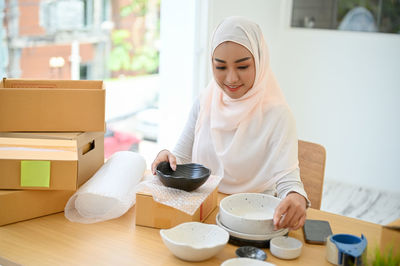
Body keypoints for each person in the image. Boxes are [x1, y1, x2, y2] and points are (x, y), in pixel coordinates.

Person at [151, 16, 309, 230]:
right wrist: (166, 157)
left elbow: (288, 180)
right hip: (204, 214)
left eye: (242, 66)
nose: (231, 78)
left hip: (253, 220)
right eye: (221, 67)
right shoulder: (205, 101)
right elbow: (180, 158)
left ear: (260, 62)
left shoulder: (278, 115)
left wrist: (295, 197)